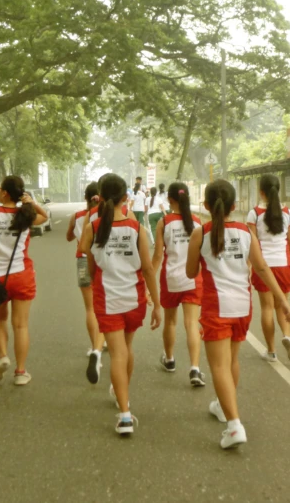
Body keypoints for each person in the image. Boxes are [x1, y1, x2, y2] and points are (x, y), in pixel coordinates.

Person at [186, 179, 290, 449]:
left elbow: (190, 272)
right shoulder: (247, 233)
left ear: (206, 206)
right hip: (242, 306)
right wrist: (282, 300)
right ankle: (224, 408)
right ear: (235, 206)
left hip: (216, 306)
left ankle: (234, 426)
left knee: (219, 366)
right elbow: (261, 268)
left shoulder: (201, 233)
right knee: (232, 360)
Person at [82, 173, 161, 436]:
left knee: (117, 353)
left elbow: (88, 261)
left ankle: (125, 415)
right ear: (126, 198)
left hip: (107, 298)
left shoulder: (93, 227)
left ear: (101, 198)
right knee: (127, 348)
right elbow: (148, 269)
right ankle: (120, 394)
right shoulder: (136, 227)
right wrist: (157, 304)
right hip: (134, 298)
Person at [0, 176, 49, 386]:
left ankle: (3, 357)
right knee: (21, 326)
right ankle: (20, 372)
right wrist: (29, 201)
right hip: (22, 274)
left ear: (5, 193)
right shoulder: (25, 215)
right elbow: (45, 216)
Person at [151, 182, 205, 386]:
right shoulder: (198, 222)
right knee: (191, 323)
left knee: (170, 321)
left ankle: (170, 359)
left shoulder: (164, 223)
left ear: (169, 199)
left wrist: (148, 283)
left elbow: (157, 256)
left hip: (171, 278)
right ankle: (195, 369)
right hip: (193, 278)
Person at [246, 175, 290, 363]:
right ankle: (287, 336)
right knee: (281, 304)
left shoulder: (254, 214)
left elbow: (251, 244)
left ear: (261, 192)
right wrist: (289, 264)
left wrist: (248, 267)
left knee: (267, 308)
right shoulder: (288, 213)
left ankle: (271, 351)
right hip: (283, 265)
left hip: (263, 266)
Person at [66, 182, 105, 383]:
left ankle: (94, 346)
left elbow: (68, 236)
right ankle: (100, 345)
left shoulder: (78, 216)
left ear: (85, 197)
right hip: (102, 260)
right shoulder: (107, 214)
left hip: (82, 258)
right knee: (105, 306)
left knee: (90, 308)